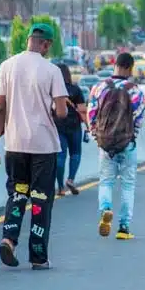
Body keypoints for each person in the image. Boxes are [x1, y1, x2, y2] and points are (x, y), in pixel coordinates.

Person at [0, 23, 68, 270]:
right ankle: (38, 256)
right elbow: (61, 112)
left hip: (14, 145)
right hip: (44, 146)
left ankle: (8, 240)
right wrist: (53, 108)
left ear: (29, 39)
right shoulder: (52, 70)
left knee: (17, 193)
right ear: (46, 44)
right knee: (40, 199)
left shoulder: (6, 66)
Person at [89, 52, 145, 240]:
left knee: (106, 181)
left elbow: (91, 114)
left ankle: (105, 209)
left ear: (115, 65)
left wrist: (98, 136)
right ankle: (123, 228)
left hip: (106, 144)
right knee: (128, 185)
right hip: (126, 143)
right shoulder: (135, 91)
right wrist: (131, 136)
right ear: (130, 68)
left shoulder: (99, 88)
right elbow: (138, 118)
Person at [54, 63, 86, 197]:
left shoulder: (53, 90)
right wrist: (88, 126)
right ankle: (71, 179)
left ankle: (60, 187)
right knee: (76, 154)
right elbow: (82, 110)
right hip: (74, 126)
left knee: (60, 156)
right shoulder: (75, 89)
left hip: (58, 126)